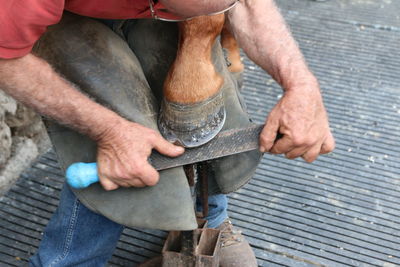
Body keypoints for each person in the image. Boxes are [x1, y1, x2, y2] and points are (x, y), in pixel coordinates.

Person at [0, 0, 335, 266]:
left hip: (175, 11)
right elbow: (5, 57)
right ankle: (69, 261)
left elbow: (247, 4)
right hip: (72, 15)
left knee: (205, 101)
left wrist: (301, 84)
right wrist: (109, 130)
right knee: (119, 125)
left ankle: (210, 224)